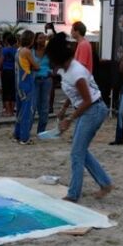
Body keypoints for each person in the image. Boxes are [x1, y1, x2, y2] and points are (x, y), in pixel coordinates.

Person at [46, 32, 113, 202]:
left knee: (76, 153)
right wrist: (64, 109)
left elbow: (87, 100)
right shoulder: (65, 69)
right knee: (80, 150)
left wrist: (70, 119)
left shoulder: (77, 72)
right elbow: (72, 92)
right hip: (87, 109)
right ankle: (105, 183)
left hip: (94, 109)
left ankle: (73, 194)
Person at [13, 30, 39, 145]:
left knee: (20, 110)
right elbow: (36, 66)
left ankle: (17, 134)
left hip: (19, 82)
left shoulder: (18, 50)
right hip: (26, 82)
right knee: (27, 111)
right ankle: (24, 137)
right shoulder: (27, 51)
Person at [32, 32, 52, 133]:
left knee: (44, 107)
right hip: (34, 80)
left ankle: (41, 131)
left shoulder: (49, 52)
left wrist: (51, 72)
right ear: (35, 40)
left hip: (46, 80)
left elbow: (54, 64)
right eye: (40, 38)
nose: (43, 40)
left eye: (44, 38)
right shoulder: (31, 52)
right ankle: (26, 130)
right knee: (33, 105)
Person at [0, 33, 17, 117]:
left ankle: (8, 111)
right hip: (13, 71)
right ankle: (12, 110)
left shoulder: (4, 50)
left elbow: (1, 60)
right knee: (12, 91)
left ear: (6, 41)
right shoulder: (16, 50)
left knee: (6, 91)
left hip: (5, 71)